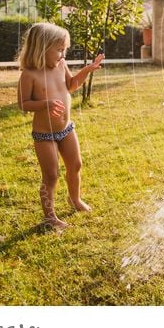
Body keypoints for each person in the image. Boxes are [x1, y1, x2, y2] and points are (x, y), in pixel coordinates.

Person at [17, 23, 104, 229]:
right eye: (59, 49)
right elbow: (23, 103)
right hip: (44, 135)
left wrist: (88, 69)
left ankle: (75, 199)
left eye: (64, 49)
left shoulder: (61, 65)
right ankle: (50, 217)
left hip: (66, 129)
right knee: (51, 175)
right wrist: (45, 104)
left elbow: (72, 85)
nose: (62, 53)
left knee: (75, 165)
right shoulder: (29, 74)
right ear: (41, 48)